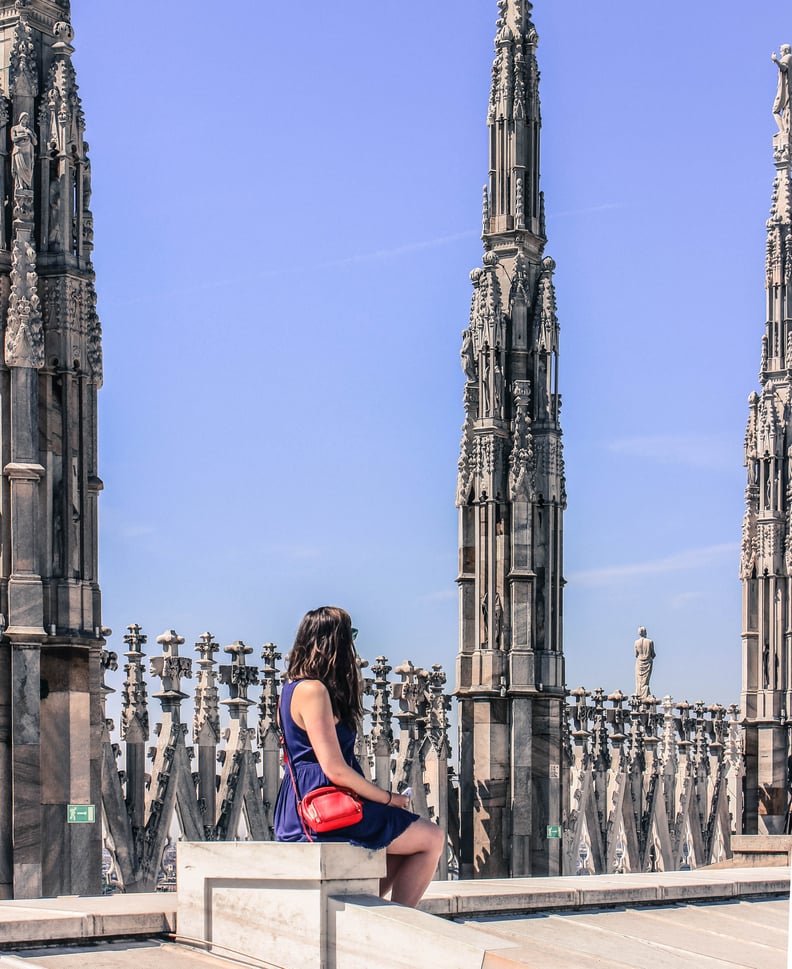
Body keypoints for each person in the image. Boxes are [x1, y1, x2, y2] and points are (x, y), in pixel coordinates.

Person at [274, 606, 445, 908]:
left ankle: (373, 914)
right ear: (331, 642)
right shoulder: (313, 691)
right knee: (431, 838)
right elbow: (334, 768)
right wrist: (387, 798)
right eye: (349, 636)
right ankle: (400, 922)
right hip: (321, 807)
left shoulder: (292, 688)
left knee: (399, 843)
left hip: (310, 802)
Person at [634, 626, 655, 699]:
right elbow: (653, 654)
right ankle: (645, 695)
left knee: (639, 680)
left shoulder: (636, 642)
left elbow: (636, 654)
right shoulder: (650, 642)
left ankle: (639, 695)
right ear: (645, 632)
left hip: (639, 662)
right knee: (646, 681)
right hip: (648, 662)